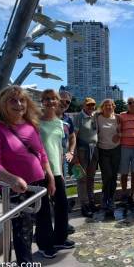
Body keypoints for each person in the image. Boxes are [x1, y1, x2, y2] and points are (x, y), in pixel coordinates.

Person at [0, 85, 57, 267]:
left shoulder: (31, 125)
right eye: (13, 100)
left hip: (39, 183)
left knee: (44, 219)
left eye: (22, 100)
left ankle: (45, 247)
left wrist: (50, 175)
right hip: (16, 188)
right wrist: (12, 179)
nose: (19, 104)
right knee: (22, 231)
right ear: (3, 104)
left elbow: (41, 153)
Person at [39, 89, 75, 251]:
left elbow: (60, 149)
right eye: (46, 99)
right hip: (40, 171)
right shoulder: (35, 122)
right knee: (43, 210)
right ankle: (45, 245)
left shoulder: (63, 124)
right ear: (42, 101)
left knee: (61, 206)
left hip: (57, 170)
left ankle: (60, 238)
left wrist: (62, 167)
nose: (50, 102)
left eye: (53, 99)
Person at [73, 97, 98, 217]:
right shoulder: (79, 117)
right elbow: (74, 136)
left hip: (94, 150)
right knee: (82, 178)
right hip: (82, 150)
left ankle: (91, 200)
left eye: (93, 105)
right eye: (88, 105)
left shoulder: (94, 116)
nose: (91, 107)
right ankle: (84, 204)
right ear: (84, 106)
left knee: (91, 177)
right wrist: (75, 154)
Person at [96, 99, 121, 218]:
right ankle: (105, 197)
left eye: (110, 105)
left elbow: (121, 130)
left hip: (116, 149)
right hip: (102, 149)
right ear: (102, 107)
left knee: (114, 175)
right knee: (107, 175)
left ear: (114, 106)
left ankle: (111, 199)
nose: (108, 107)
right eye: (106, 105)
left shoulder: (117, 117)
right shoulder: (97, 117)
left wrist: (119, 135)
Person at [56, 90, 76, 234]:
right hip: (47, 162)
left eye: (67, 102)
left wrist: (71, 152)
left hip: (62, 160)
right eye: (61, 100)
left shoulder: (68, 119)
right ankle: (43, 230)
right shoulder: (45, 117)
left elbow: (73, 137)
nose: (64, 103)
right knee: (50, 195)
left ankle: (62, 224)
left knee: (61, 193)